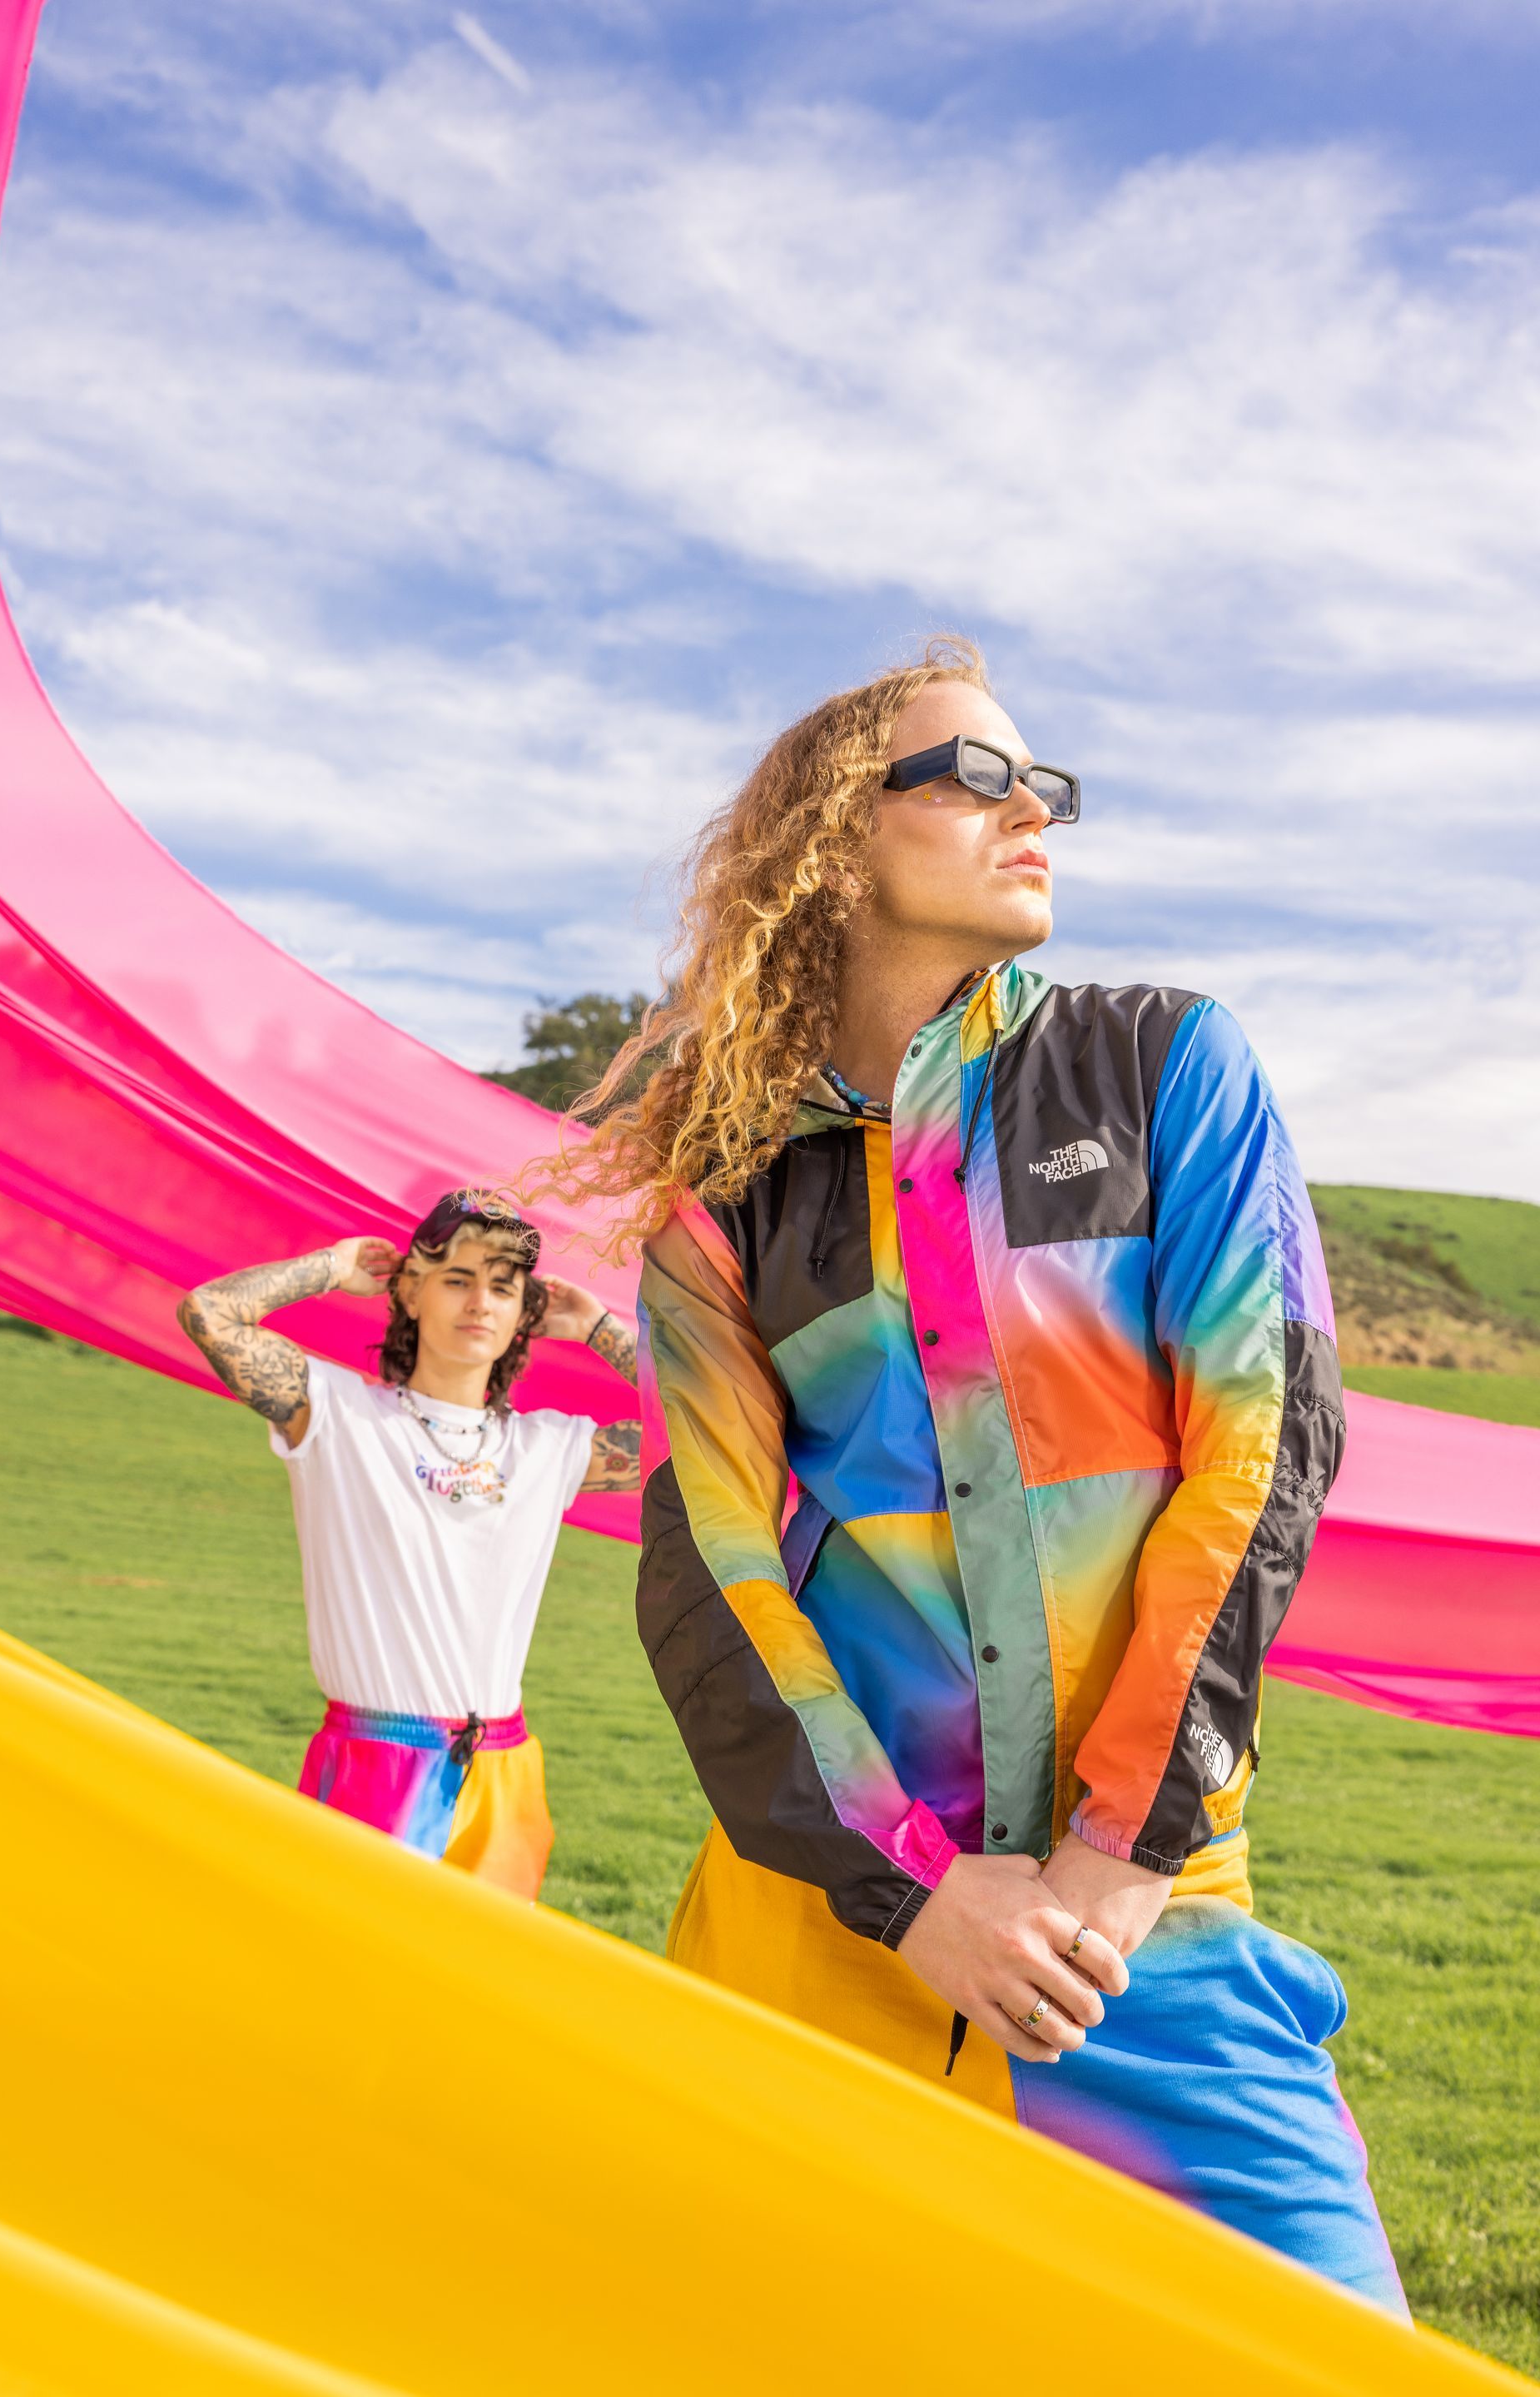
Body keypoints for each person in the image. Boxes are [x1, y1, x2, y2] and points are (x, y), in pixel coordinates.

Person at [549, 639, 1406, 2310]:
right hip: (830, 1929)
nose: (1040, 814)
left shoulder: (1169, 1064)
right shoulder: (727, 1187)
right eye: (980, 775)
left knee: (1328, 2340)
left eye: (1048, 784)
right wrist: (910, 1887)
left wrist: (1114, 1860)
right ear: (833, 838)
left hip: (1135, 1931)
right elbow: (710, 1560)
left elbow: (1267, 1431)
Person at [177, 1188, 639, 1897]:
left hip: (506, 1771)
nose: (479, 1302)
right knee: (353, 1987)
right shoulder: (337, 1415)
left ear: (525, 1316)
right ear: (412, 1292)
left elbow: (715, 1427)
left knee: (484, 1994)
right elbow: (209, 1313)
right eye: (457, 1279)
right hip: (378, 1761)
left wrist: (599, 1325)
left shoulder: (552, 1448)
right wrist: (330, 1267)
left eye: (502, 1287)